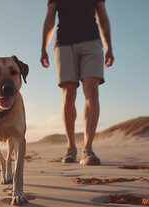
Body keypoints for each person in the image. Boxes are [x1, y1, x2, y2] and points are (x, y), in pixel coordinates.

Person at [40, 0, 114, 165]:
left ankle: (88, 149)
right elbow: (50, 19)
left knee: (92, 90)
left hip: (92, 42)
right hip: (64, 44)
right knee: (69, 93)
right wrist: (43, 48)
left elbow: (102, 17)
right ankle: (71, 147)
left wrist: (109, 46)